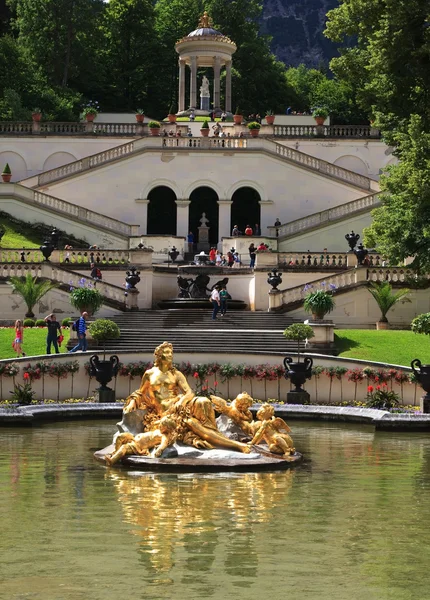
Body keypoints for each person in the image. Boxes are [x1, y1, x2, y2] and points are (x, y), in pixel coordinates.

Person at [123, 342, 250, 453]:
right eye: (167, 353)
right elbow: (140, 393)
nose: (170, 355)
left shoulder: (176, 374)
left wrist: (183, 400)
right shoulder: (149, 374)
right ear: (159, 356)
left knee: (204, 401)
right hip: (166, 414)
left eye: (171, 353)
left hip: (180, 406)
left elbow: (189, 392)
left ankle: (215, 434)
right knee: (192, 424)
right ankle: (235, 445)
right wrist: (131, 403)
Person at [105, 416, 177, 465]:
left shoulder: (163, 436)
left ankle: (112, 461)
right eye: (160, 424)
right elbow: (158, 422)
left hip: (137, 446)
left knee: (124, 447)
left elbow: (163, 444)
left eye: (162, 425)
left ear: (167, 428)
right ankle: (116, 453)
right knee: (120, 437)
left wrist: (159, 450)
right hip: (133, 438)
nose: (160, 426)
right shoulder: (159, 430)